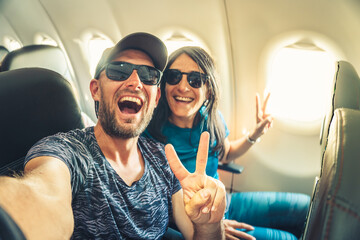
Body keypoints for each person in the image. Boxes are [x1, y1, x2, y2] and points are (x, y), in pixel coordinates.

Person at [0, 32, 227, 240]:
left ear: (156, 97)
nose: (136, 83)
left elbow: (198, 235)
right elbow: (44, 194)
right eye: (119, 70)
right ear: (96, 89)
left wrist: (209, 223)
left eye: (148, 76)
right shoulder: (66, 151)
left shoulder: (163, 159)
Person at [144, 46, 310, 240]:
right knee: (287, 238)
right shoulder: (150, 131)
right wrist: (211, 225)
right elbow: (151, 202)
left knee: (305, 207)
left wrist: (255, 135)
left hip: (224, 203)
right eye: (173, 77)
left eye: (195, 80)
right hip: (190, 221)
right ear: (164, 85)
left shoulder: (211, 119)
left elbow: (226, 153)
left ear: (208, 90)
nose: (182, 86)